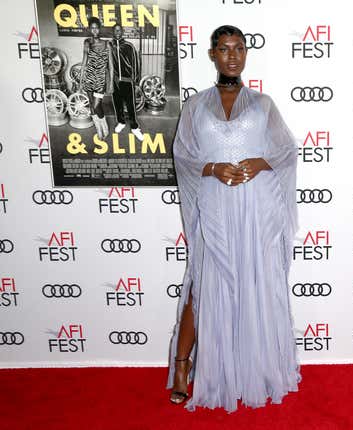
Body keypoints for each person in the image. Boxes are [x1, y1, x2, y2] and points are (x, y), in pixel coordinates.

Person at [166, 25, 301, 413]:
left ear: (245, 54)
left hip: (254, 207)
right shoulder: (195, 106)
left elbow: (286, 150)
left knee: (253, 283)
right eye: (223, 49)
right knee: (203, 282)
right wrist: (212, 168)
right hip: (213, 205)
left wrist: (261, 162)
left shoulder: (263, 104)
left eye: (238, 49)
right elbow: (183, 156)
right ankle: (182, 365)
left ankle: (251, 367)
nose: (231, 56)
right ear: (212, 54)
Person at [79, 16, 113, 139]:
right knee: (92, 105)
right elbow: (84, 62)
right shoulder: (87, 42)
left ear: (100, 29)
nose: (94, 31)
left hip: (101, 79)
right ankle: (99, 130)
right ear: (89, 29)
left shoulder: (107, 44)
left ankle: (105, 127)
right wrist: (81, 80)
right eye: (92, 28)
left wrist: (110, 84)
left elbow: (111, 66)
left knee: (96, 105)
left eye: (96, 28)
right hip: (89, 78)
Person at [110, 23, 144, 142]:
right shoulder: (109, 46)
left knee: (130, 104)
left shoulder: (129, 46)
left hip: (127, 80)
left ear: (122, 32)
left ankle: (135, 127)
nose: (117, 32)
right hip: (114, 81)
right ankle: (121, 122)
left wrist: (135, 80)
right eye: (115, 30)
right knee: (117, 103)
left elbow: (136, 63)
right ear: (113, 32)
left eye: (119, 30)